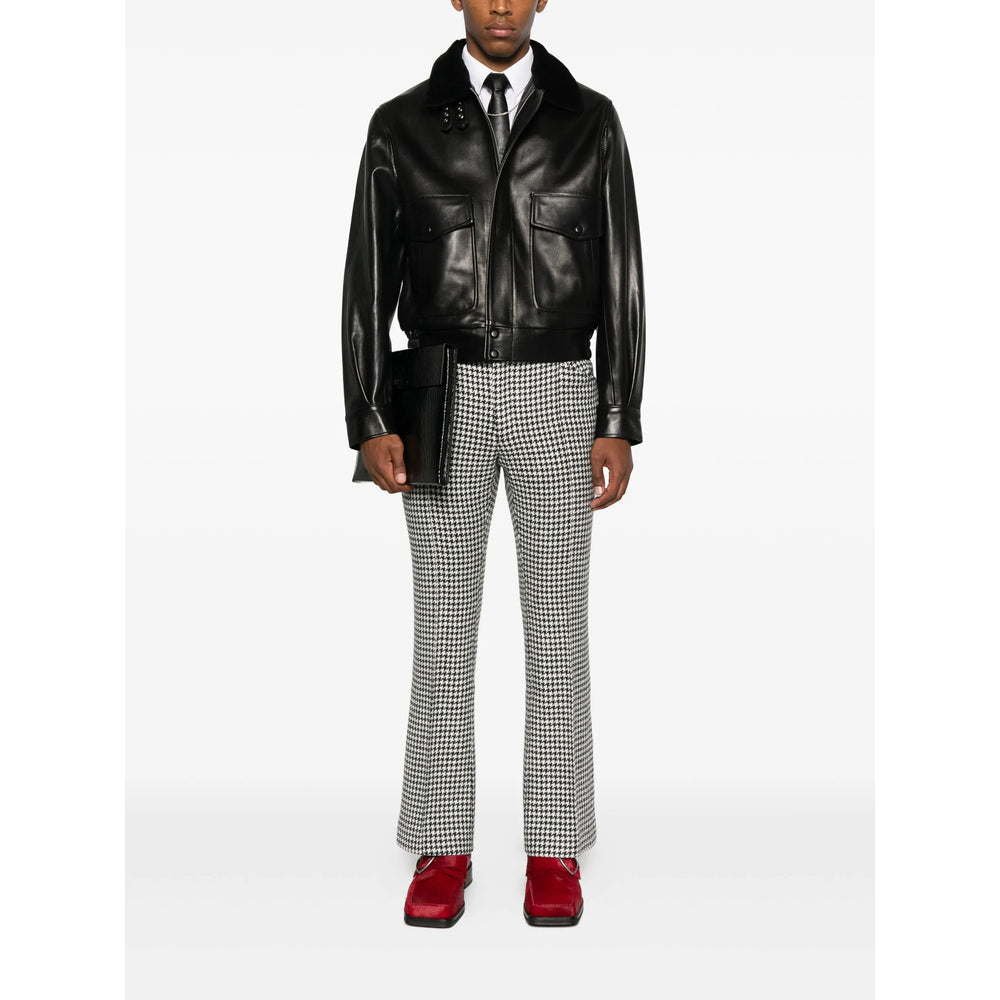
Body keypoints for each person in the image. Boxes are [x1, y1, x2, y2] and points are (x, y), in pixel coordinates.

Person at [341, 0, 645, 928]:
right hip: (441, 393)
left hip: (559, 390)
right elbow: (366, 277)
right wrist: (369, 412)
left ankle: (554, 846)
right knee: (443, 627)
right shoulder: (401, 125)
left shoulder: (589, 120)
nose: (502, 3)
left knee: (557, 623)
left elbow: (624, 274)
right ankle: (442, 843)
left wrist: (618, 415)